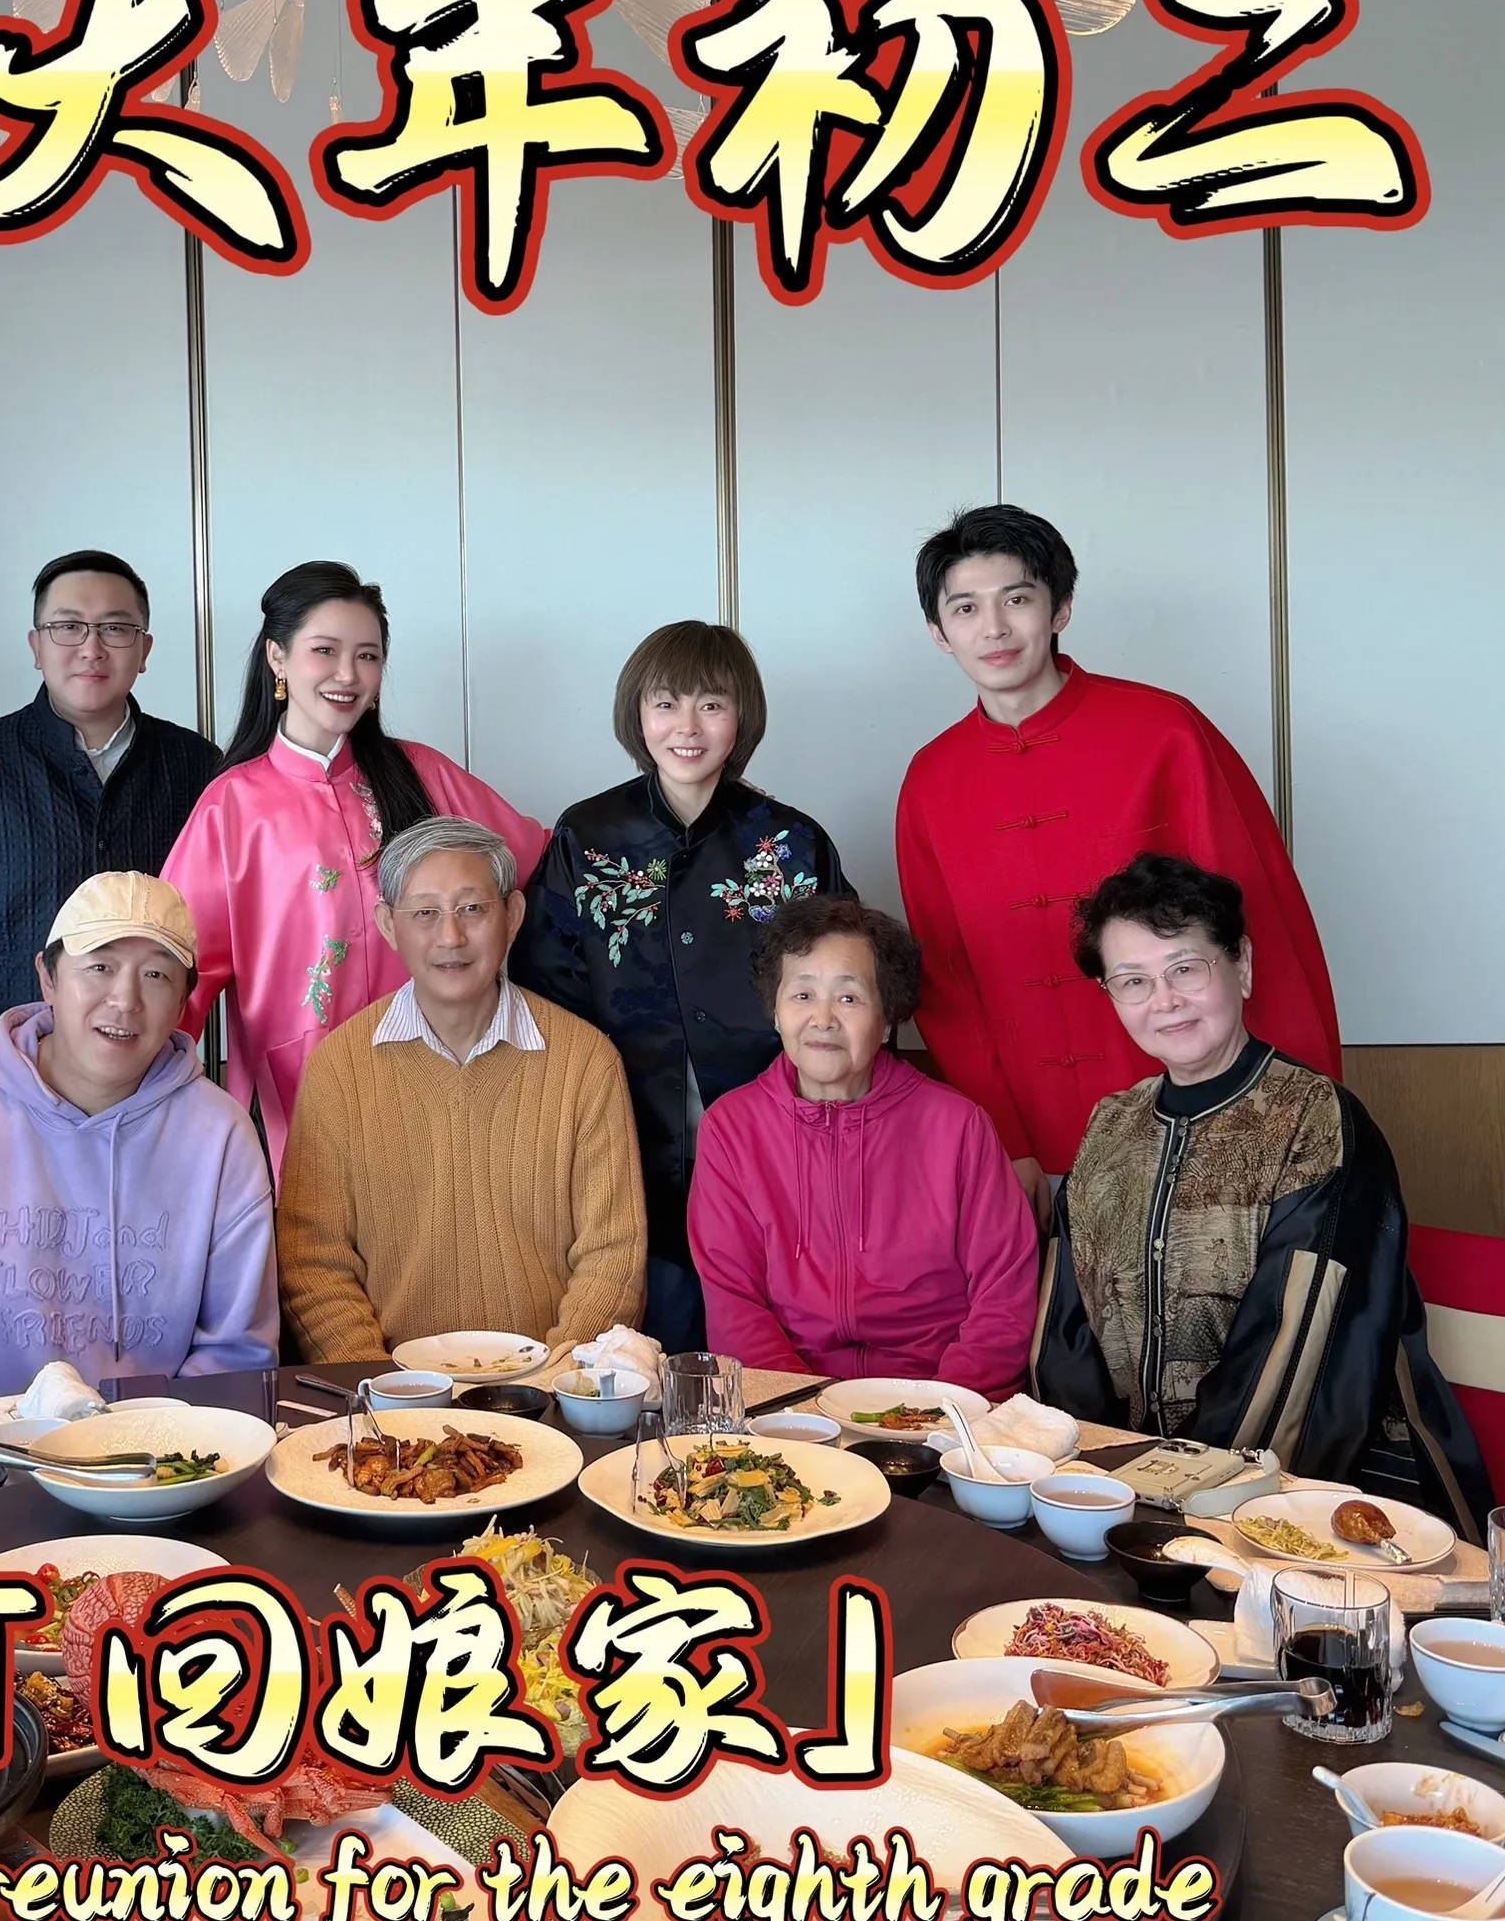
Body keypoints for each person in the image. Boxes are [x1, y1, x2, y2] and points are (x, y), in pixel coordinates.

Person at [896, 504, 1341, 1218]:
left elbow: (1255, 926)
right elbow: (946, 983)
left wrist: (1285, 1114)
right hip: (1035, 1140)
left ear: (1061, 609)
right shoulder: (930, 780)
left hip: (1201, 1118)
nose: (995, 628)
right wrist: (1003, 1138)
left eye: (1017, 599)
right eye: (966, 608)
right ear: (939, 633)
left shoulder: (1165, 731)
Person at [1033, 854, 1490, 1532]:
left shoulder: (1313, 1119)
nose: (1164, 1000)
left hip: (1316, 1490)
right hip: (1130, 1487)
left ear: (1241, 964)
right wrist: (1084, 1469)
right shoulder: (1110, 1126)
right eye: (1133, 981)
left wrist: (1190, 1498)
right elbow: (1064, 1324)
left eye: (1186, 968)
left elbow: (1302, 1355)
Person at [513, 620, 850, 1353]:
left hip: (777, 1140)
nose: (687, 727)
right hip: (622, 1135)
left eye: (712, 704)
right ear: (637, 714)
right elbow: (547, 991)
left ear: (742, 717)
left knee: (766, 1342)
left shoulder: (792, 843)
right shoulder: (588, 836)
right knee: (642, 1346)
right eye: (666, 704)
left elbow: (844, 991)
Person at [164, 562, 546, 1174]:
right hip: (300, 1092)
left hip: (444, 1068)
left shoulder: (423, 774)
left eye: (367, 656)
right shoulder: (232, 805)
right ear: (278, 658)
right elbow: (176, 963)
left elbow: (539, 860)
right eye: (325, 651)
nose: (348, 674)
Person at [0, 873, 275, 1407]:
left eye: (156, 975)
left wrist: (147, 1446)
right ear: (48, 977)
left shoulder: (221, 1136)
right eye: (100, 967)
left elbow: (237, 1354)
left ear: (183, 1002)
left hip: (165, 1450)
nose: (125, 1000)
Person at [278, 817, 646, 1360]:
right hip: (390, 1393)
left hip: (549, 1388)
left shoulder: (585, 1063)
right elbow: (314, 1262)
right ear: (387, 925)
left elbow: (613, 1256)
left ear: (512, 916)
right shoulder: (339, 1069)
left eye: (473, 909)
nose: (450, 937)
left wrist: (553, 1379)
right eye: (425, 913)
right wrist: (382, 1385)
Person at [687, 899, 1038, 1394]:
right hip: (788, 1406)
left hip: (937, 1399)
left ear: (888, 1020)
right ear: (776, 1012)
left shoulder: (959, 1126)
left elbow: (1004, 1299)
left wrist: (937, 1411)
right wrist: (801, 1411)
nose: (823, 1019)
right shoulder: (731, 1129)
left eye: (849, 998)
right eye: (802, 995)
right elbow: (733, 1304)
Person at [0, 552, 223, 1066]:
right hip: (1, 1076)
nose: (91, 648)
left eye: (116, 628)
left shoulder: (201, 769)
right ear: (36, 646)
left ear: (144, 650)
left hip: (152, 1076)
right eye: (67, 627)